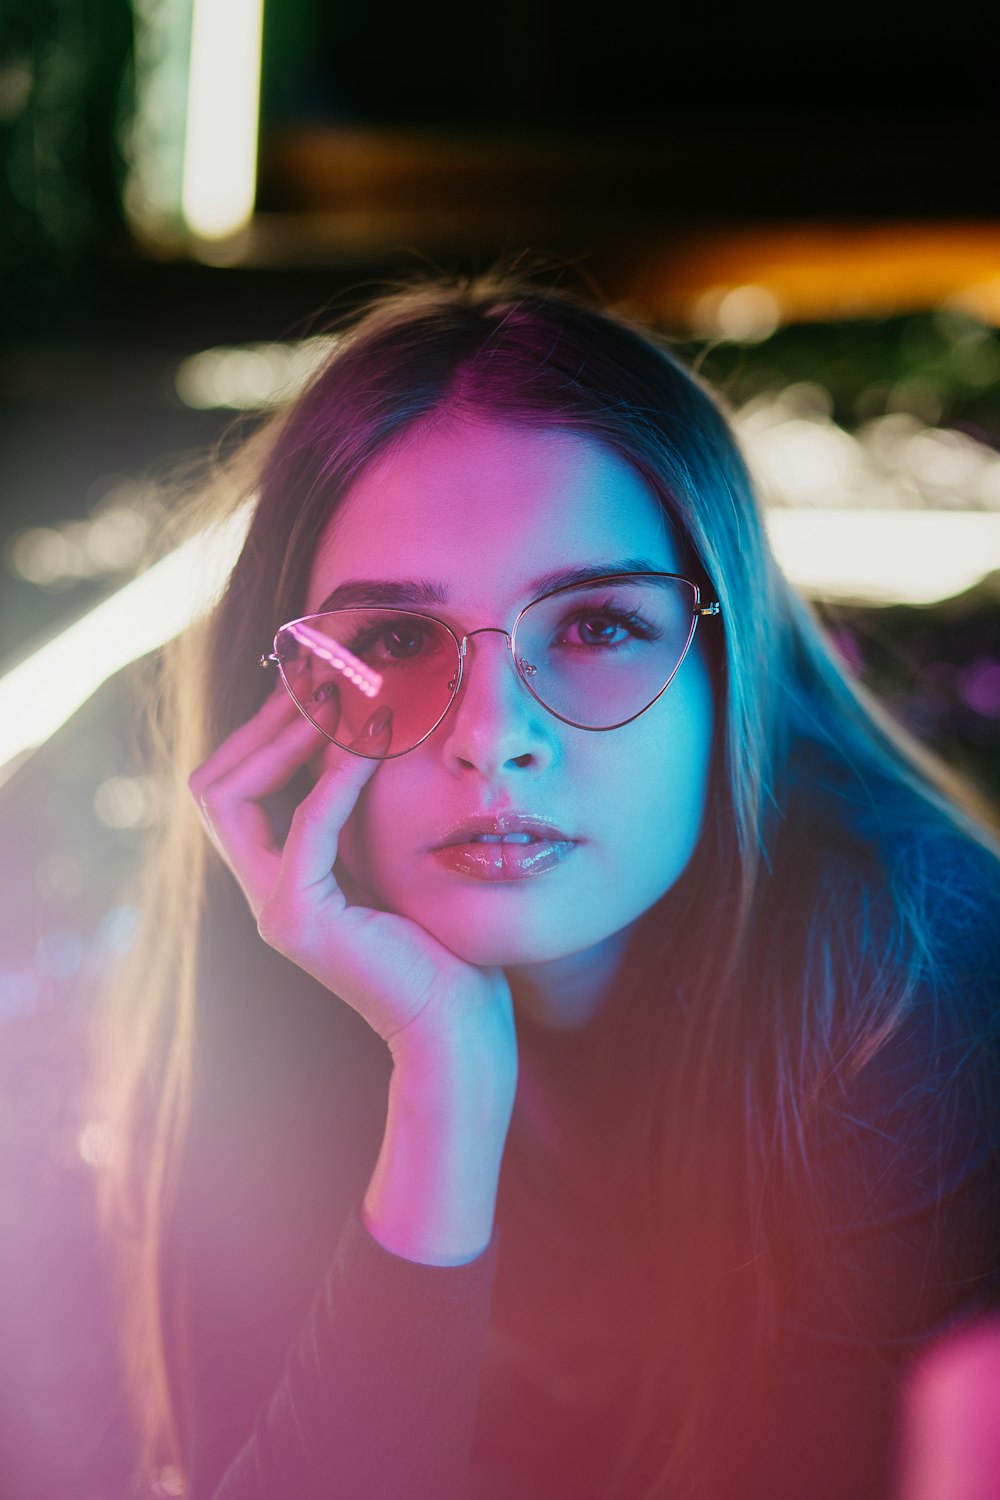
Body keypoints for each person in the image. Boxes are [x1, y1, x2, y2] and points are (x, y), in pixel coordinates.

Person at [88, 270, 1000, 1500]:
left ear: (730, 675)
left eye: (593, 626)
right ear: (287, 712)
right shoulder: (260, 1044)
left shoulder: (936, 1006)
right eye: (396, 642)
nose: (490, 735)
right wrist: (444, 1083)